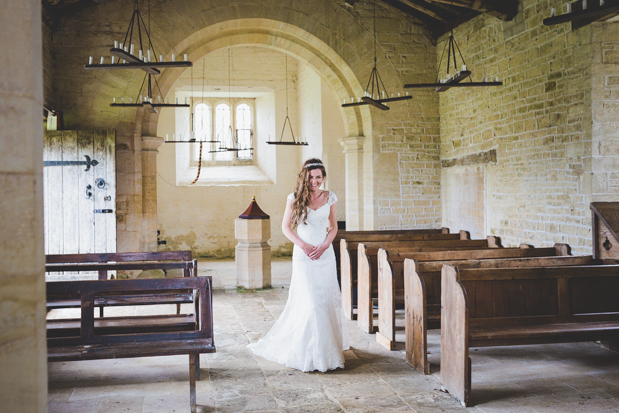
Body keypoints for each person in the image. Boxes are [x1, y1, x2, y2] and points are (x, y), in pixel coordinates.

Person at [248, 158, 349, 372]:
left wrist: (324, 246)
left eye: (318, 177)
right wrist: (304, 246)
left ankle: (326, 352)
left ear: (324, 177)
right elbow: (286, 228)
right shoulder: (294, 198)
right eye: (311, 177)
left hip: (324, 254)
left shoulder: (329, 197)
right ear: (304, 177)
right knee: (310, 301)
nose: (315, 181)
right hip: (304, 255)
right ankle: (308, 352)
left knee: (323, 301)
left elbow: (333, 227)